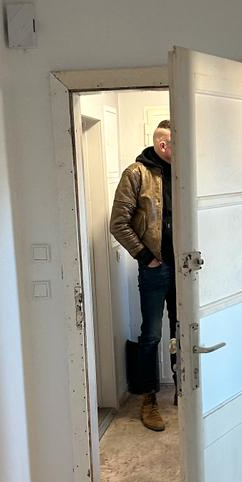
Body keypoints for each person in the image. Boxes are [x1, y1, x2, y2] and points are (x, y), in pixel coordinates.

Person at [110, 120, 176, 431]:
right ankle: (148, 400)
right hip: (155, 269)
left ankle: (184, 393)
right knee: (151, 334)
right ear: (163, 145)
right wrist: (145, 257)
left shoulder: (186, 173)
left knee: (185, 331)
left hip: (186, 268)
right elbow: (118, 223)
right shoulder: (136, 174)